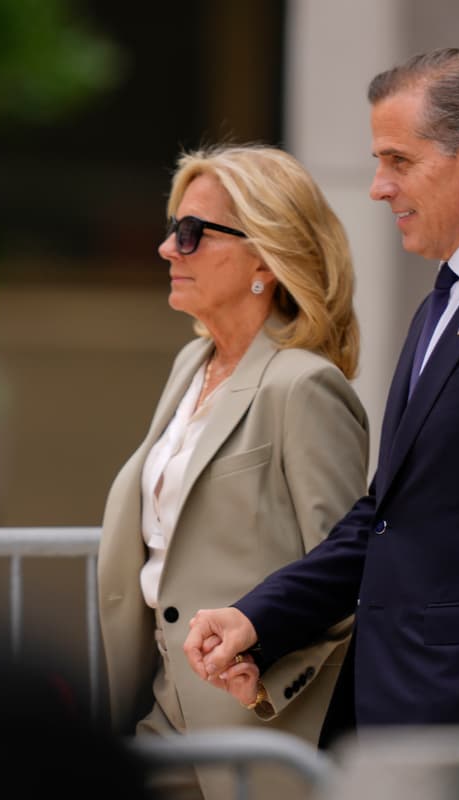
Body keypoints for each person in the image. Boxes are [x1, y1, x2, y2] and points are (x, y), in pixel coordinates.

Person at [184, 48, 459, 736]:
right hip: (402, 705)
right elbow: (386, 516)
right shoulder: (447, 300)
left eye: (398, 161)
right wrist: (258, 618)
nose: (378, 188)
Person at [98, 144, 368, 798]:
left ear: (265, 260)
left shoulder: (304, 386)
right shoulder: (190, 367)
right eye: (173, 229)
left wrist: (264, 677)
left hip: (256, 726)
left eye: (192, 233)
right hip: (159, 705)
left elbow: (345, 577)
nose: (168, 249)